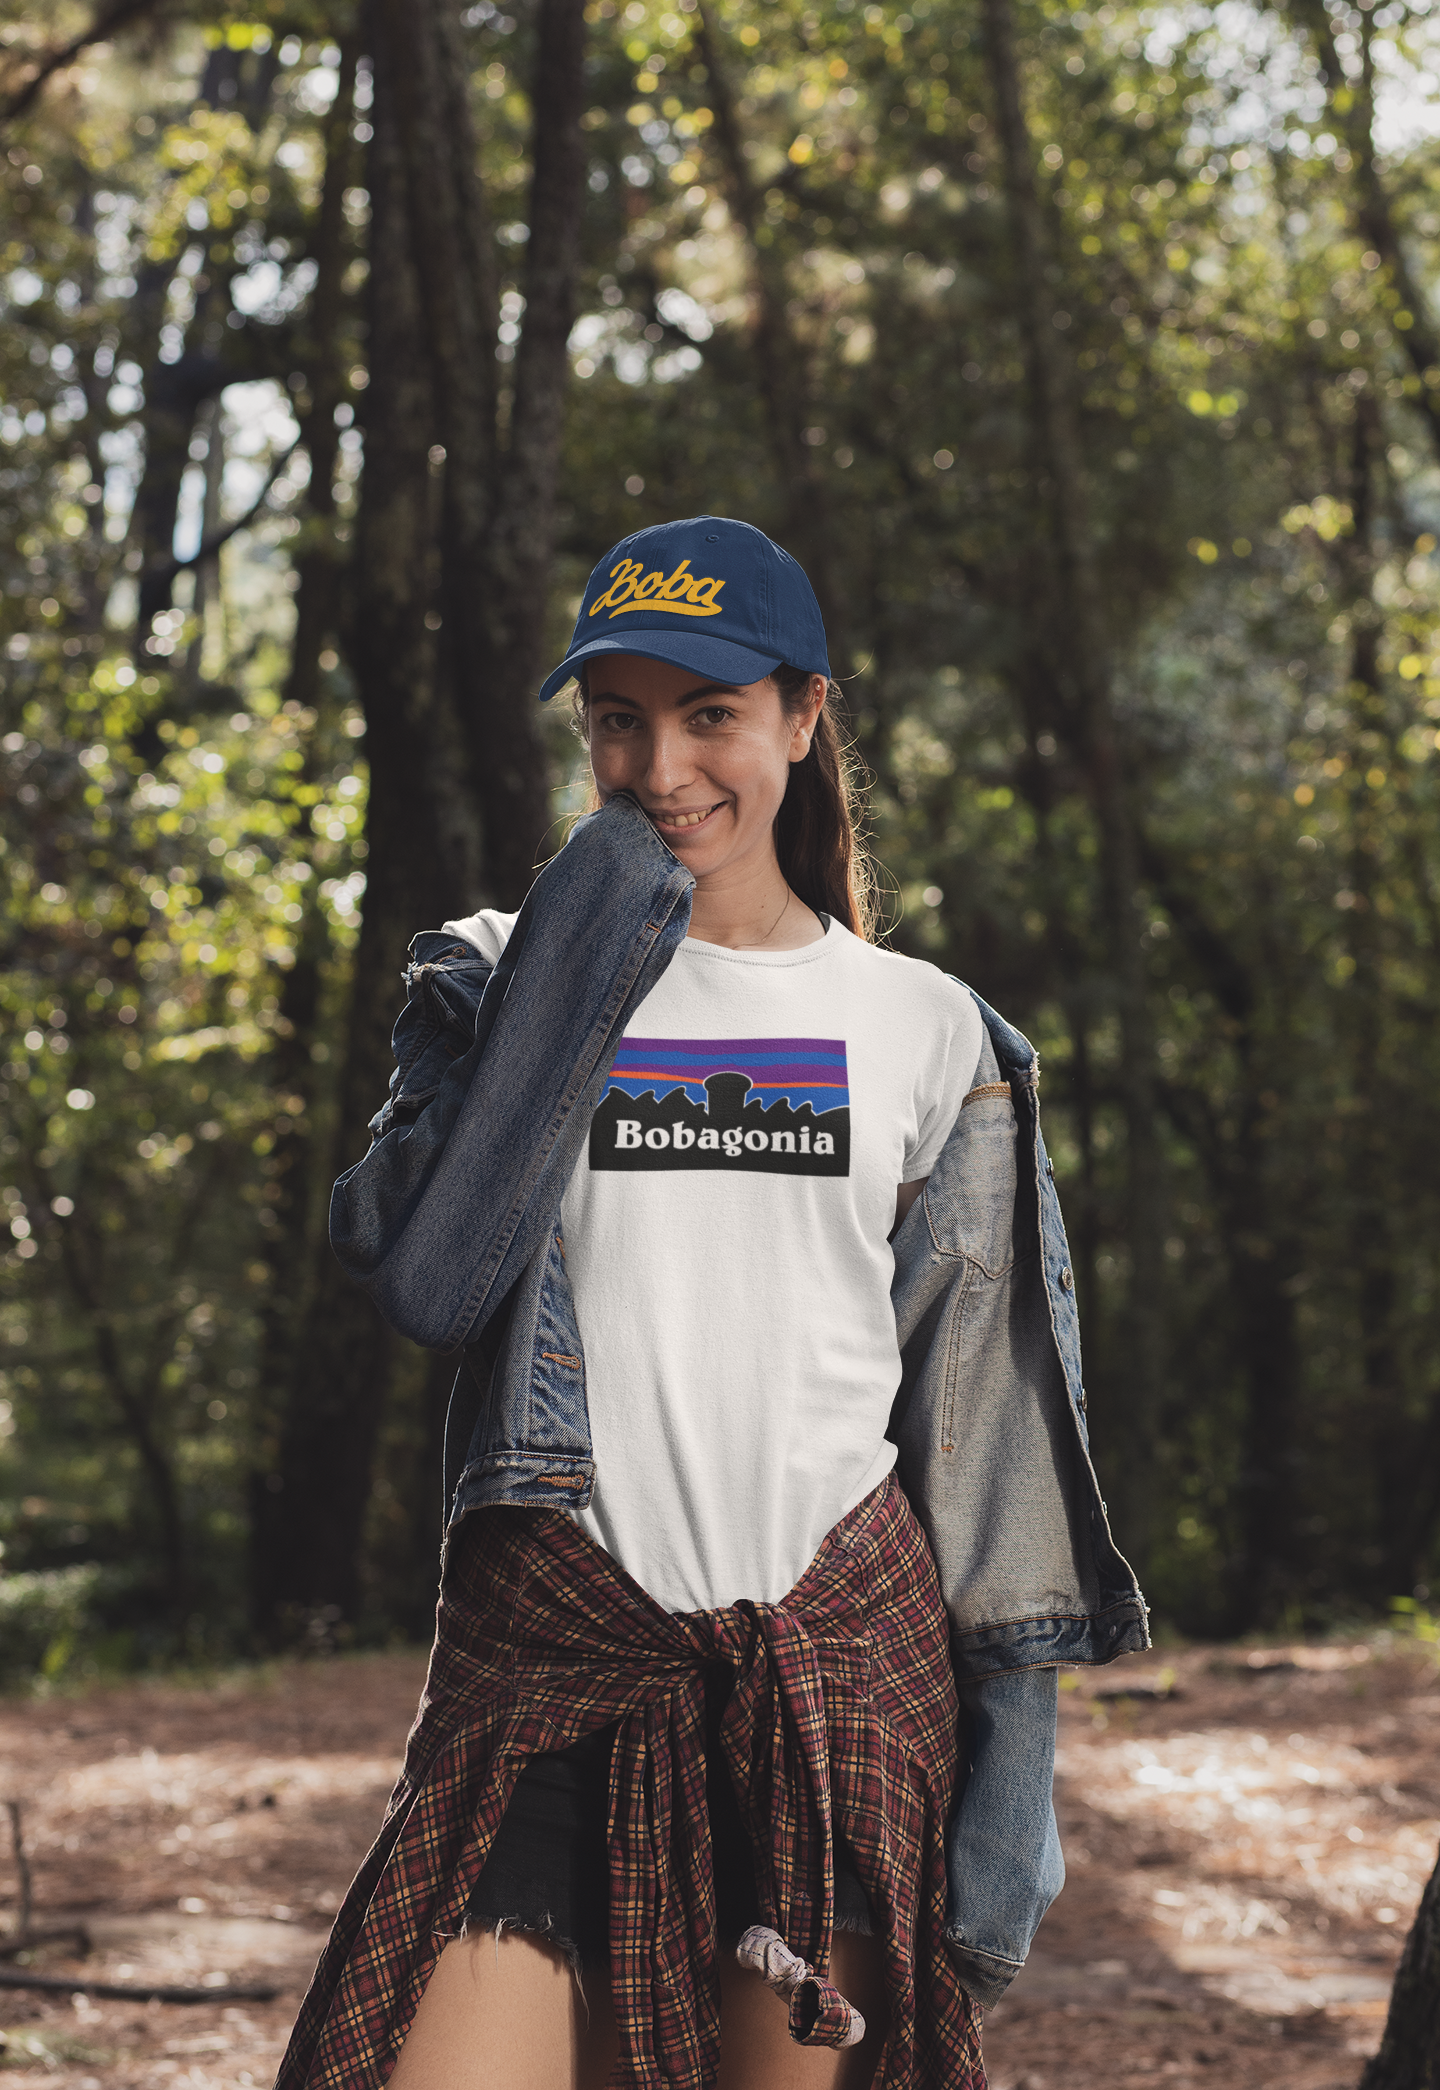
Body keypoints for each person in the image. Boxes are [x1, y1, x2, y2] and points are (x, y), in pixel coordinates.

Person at [276, 518, 1147, 2090]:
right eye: (619, 719)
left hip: (829, 1676)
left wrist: (1013, 1788)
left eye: (710, 716)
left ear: (804, 720)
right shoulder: (493, 970)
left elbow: (986, 1424)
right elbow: (409, 1260)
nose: (662, 766)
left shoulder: (928, 1031)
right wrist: (574, 955)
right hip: (556, 1659)